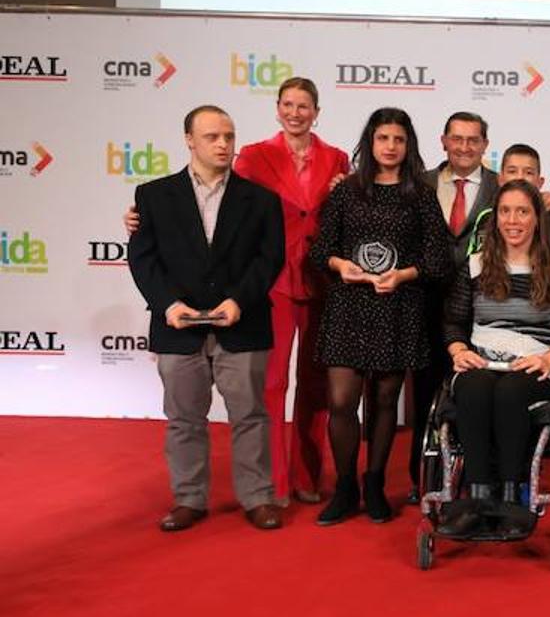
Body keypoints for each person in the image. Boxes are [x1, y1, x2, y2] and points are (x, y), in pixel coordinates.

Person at [123, 77, 350, 506]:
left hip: (321, 279)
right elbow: (221, 211)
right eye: (288, 104)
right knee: (270, 386)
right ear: (277, 108)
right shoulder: (252, 156)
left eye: (305, 106)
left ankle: (307, 478)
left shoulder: (338, 159)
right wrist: (140, 219)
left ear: (316, 111)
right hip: (273, 283)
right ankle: (274, 488)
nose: (296, 112)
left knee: (315, 388)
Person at [127, 104, 285, 532]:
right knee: (183, 419)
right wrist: (168, 305)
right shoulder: (152, 196)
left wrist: (239, 301)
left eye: (229, 136)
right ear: (189, 140)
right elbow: (143, 259)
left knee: (250, 416)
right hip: (177, 328)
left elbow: (269, 259)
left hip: (243, 323)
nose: (223, 144)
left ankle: (257, 497)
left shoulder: (262, 200)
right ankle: (189, 499)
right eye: (213, 136)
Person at [308, 107, 449, 525]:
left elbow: (438, 259)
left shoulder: (421, 195)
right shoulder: (347, 191)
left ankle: (373, 484)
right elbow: (320, 250)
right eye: (383, 138)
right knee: (341, 401)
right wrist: (340, 265)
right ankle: (345, 486)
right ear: (370, 143)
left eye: (399, 139)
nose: (390, 147)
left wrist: (405, 274)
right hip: (349, 307)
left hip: (398, 307)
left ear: (409, 146)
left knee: (386, 401)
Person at [438, 180, 550, 538]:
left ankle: (511, 497)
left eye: (522, 211)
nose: (513, 220)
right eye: (505, 211)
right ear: (495, 218)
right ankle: (476, 496)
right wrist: (459, 350)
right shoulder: (474, 267)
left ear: (537, 218)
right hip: (481, 359)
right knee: (473, 390)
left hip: (536, 363)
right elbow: (454, 321)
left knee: (510, 393)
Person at [407, 112, 497, 503]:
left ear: (484, 145)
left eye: (473, 140)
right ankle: (422, 479)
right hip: (423, 303)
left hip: (479, 310)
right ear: (443, 141)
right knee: (425, 394)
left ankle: (473, 479)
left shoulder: (501, 186)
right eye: (456, 139)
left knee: (474, 394)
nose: (464, 146)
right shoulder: (419, 183)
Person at [468, 143, 550, 261]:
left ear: (540, 182)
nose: (520, 177)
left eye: (528, 172)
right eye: (512, 171)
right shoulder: (487, 217)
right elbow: (475, 266)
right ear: (500, 180)